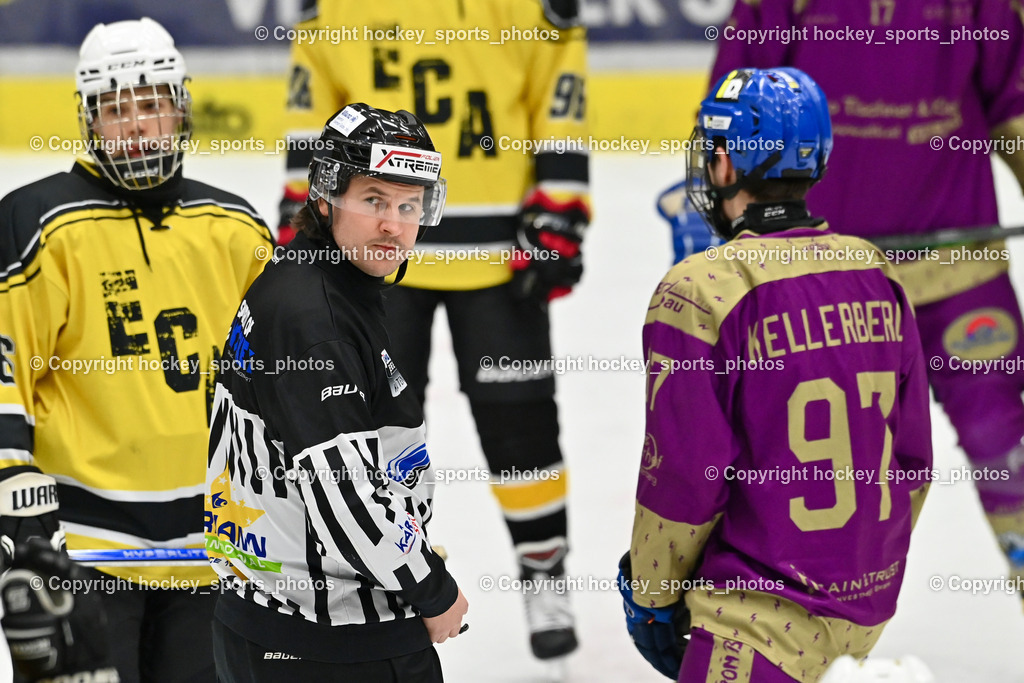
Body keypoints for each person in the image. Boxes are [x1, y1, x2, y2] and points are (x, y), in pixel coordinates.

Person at [277, 0, 589, 659]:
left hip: (499, 252)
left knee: (522, 426)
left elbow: (558, 92)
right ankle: (385, 575)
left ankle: (544, 575)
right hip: (377, 249)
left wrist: (560, 206)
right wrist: (304, 217)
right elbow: (312, 112)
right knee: (375, 434)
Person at [618, 68, 933, 681]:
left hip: (754, 622)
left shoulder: (698, 290)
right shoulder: (877, 272)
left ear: (728, 166)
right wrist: (855, 572)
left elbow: (684, 477)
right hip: (864, 609)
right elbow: (913, 463)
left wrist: (651, 594)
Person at [706, 1, 1024, 589]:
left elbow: (1015, 103)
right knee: (812, 458)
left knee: (1007, 440)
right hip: (824, 275)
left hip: (956, 268)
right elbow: (736, 115)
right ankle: (798, 627)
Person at [0, 17, 273, 682]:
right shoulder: (37, 221)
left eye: (151, 103)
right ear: (88, 119)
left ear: (180, 106)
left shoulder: (237, 227)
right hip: (84, 546)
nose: (137, 124)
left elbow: (279, 383)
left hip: (215, 550)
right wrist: (11, 489)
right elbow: (7, 366)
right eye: (116, 108)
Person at [206, 103, 469, 682]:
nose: (394, 225)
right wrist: (430, 587)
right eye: (374, 200)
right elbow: (343, 495)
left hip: (271, 619)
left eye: (409, 205)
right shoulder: (315, 317)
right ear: (325, 195)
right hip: (333, 643)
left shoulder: (313, 278)